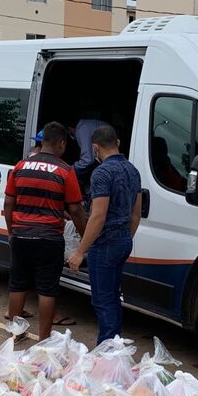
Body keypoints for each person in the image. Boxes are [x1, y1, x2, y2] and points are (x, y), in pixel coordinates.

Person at [4, 121, 87, 341]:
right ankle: (44, 338)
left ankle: (15, 335)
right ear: (61, 143)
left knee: (17, 285)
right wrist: (86, 236)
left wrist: (12, 232)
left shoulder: (20, 167)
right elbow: (76, 210)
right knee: (47, 289)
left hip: (21, 234)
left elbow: (8, 203)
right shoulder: (65, 171)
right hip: (49, 238)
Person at [67, 124, 143, 345]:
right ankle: (115, 345)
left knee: (102, 300)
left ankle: (107, 351)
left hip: (106, 244)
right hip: (123, 240)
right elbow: (135, 214)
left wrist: (80, 252)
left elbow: (98, 216)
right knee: (113, 296)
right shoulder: (133, 170)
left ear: (95, 147)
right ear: (118, 143)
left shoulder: (101, 173)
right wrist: (125, 237)